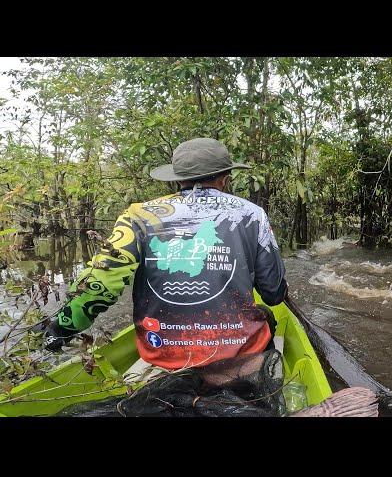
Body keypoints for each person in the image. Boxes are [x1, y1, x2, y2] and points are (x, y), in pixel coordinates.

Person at [43, 138, 288, 371]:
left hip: (162, 355)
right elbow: (274, 293)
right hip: (239, 355)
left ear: (178, 179)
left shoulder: (137, 216)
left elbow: (102, 283)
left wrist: (59, 330)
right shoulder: (252, 214)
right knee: (266, 317)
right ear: (224, 179)